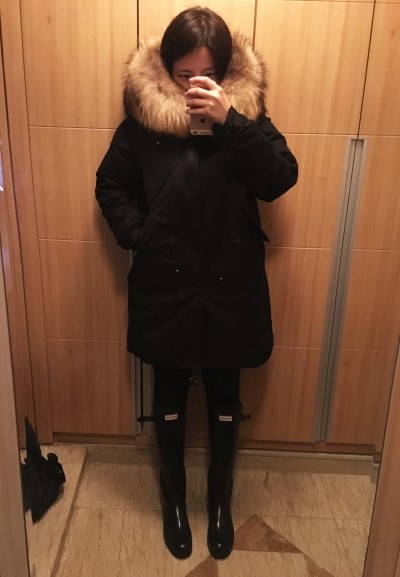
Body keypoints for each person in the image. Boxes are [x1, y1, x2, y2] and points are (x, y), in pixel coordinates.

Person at [95, 6, 298, 561]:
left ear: (225, 72)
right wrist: (141, 237)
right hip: (167, 282)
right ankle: (174, 500)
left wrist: (232, 121)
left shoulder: (247, 117)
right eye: (184, 74)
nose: (194, 86)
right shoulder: (143, 124)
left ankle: (220, 500)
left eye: (207, 75)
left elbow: (281, 177)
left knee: (226, 395)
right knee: (168, 393)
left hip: (231, 284)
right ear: (166, 69)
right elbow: (110, 185)